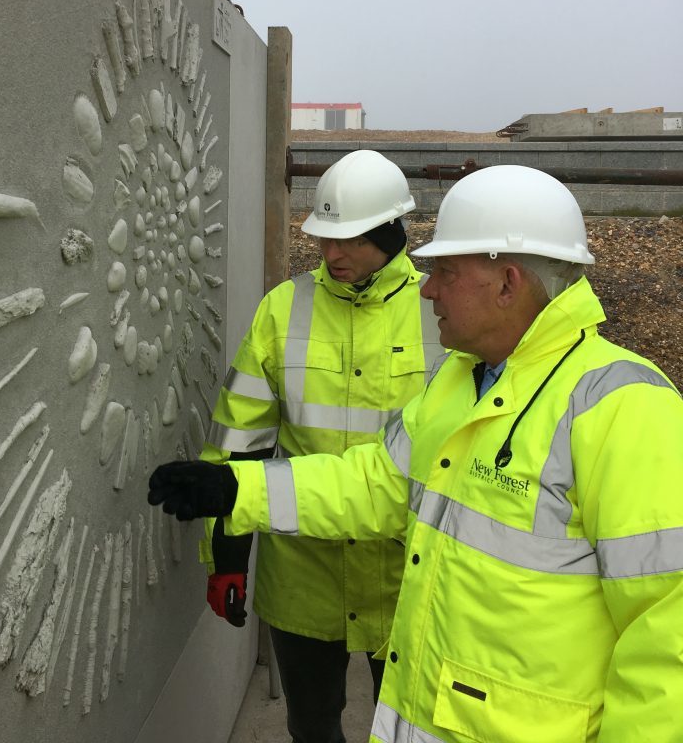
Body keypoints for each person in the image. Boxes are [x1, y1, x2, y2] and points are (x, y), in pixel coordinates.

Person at [149, 164, 683, 743]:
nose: (427, 289)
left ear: (508, 283)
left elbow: (668, 639)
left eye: (446, 272)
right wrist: (236, 491)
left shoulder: (622, 407)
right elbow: (379, 483)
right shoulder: (459, 380)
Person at [192, 149, 442, 743]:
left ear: (390, 232)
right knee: (310, 727)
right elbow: (238, 441)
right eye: (325, 238)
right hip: (306, 576)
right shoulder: (283, 309)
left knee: (413, 731)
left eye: (349, 240)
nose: (331, 254)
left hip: (409, 575)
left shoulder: (441, 313)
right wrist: (227, 556)